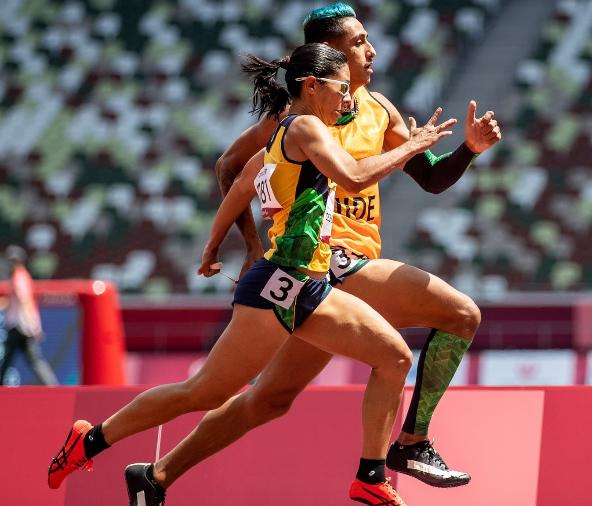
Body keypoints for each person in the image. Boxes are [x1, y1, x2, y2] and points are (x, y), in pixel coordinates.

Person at [121, 3, 501, 504]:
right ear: (330, 56)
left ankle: (158, 476)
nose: (372, 50)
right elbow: (231, 167)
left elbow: (430, 177)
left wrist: (468, 150)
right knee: (460, 314)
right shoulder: (298, 118)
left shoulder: (380, 109)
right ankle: (410, 443)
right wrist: (253, 245)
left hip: (324, 276)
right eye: (360, 41)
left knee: (269, 400)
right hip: (333, 260)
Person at [47, 42, 454, 506]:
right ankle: (91, 439)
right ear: (311, 85)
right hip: (284, 284)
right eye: (342, 88)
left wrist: (214, 244)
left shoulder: (283, 136)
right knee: (203, 392)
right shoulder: (304, 128)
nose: (348, 98)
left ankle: (370, 476)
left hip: (301, 286)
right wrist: (413, 148)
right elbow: (355, 177)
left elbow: (241, 184)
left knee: (392, 359)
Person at [0, 245, 59, 386]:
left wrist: (33, 325)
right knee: (17, 358)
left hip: (21, 326)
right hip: (18, 325)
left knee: (31, 359)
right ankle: (51, 385)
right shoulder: (19, 276)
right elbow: (15, 302)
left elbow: (25, 301)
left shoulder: (19, 276)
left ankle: (52, 386)